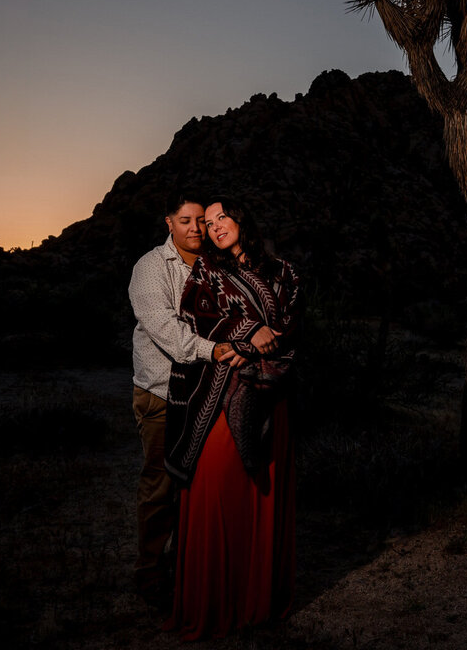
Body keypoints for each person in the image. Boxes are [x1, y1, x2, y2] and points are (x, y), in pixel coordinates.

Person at [163, 196, 301, 638]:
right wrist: (246, 334)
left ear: (241, 218)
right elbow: (195, 317)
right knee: (214, 484)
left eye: (223, 216)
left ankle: (256, 600)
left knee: (260, 495)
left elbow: (292, 328)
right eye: (208, 221)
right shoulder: (207, 270)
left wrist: (266, 343)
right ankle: (215, 602)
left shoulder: (284, 272)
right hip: (220, 392)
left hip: (270, 394)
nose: (215, 225)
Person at [127, 190, 240, 609]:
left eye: (202, 222)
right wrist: (217, 351)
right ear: (169, 224)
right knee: (161, 486)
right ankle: (150, 574)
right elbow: (165, 329)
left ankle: (191, 568)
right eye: (187, 221)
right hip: (161, 392)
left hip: (210, 393)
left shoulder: (218, 266)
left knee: (199, 485)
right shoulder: (150, 268)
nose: (197, 229)